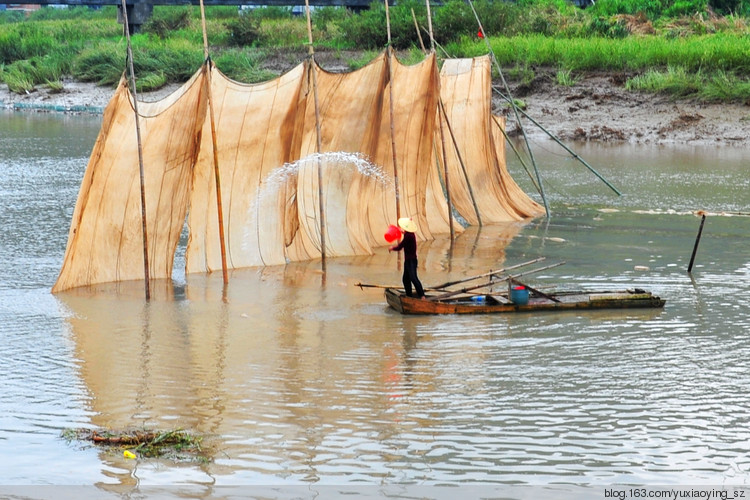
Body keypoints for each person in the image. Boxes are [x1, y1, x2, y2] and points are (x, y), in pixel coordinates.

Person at [389, 217, 425, 299]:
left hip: (411, 261)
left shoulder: (409, 236)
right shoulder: (409, 234)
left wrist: (391, 248)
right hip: (409, 261)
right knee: (405, 279)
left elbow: (400, 247)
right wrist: (401, 231)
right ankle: (409, 295)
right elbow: (405, 234)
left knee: (413, 278)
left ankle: (422, 296)